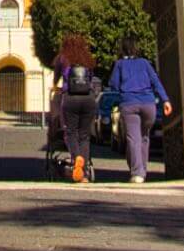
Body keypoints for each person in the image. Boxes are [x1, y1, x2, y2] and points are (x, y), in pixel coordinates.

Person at [107, 35, 170, 184]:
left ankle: (137, 173)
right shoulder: (145, 63)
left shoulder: (119, 64)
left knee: (133, 138)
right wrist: (165, 100)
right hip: (149, 104)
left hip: (129, 104)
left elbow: (113, 84)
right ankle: (142, 169)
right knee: (144, 137)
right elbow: (156, 81)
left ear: (122, 49)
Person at [51, 33, 99, 183]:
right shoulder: (87, 59)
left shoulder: (62, 58)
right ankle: (83, 174)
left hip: (70, 98)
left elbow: (56, 79)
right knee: (84, 136)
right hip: (88, 98)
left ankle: (76, 157)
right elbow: (91, 79)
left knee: (70, 132)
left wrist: (56, 88)